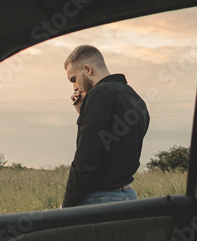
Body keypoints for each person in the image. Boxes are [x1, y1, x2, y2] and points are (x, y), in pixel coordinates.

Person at [61, 45, 149, 207]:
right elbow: (113, 143)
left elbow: (86, 159)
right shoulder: (134, 97)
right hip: (128, 196)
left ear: (87, 69)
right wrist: (83, 111)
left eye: (73, 79)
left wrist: (67, 206)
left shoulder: (99, 95)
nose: (74, 86)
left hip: (100, 199)